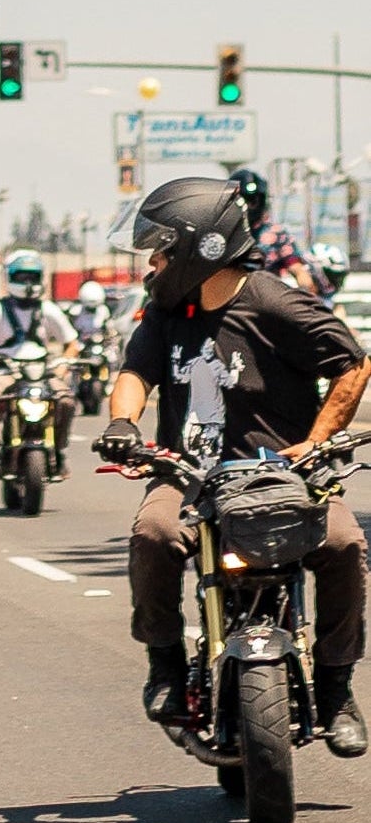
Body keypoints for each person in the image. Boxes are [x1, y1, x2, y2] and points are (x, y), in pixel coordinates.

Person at [96, 175, 371, 754]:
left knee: (345, 543)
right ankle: (165, 666)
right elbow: (136, 373)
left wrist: (317, 441)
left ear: (202, 246)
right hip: (191, 476)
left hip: (285, 477)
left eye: (161, 249)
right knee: (154, 532)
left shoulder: (275, 303)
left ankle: (337, 688)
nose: (152, 263)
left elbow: (353, 364)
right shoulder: (166, 312)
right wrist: (122, 424)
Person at [0, 249, 80, 477]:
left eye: (32, 277)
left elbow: (71, 343)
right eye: (22, 277)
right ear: (10, 278)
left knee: (66, 401)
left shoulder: (47, 308)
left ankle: (59, 451)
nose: (27, 283)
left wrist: (63, 365)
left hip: (41, 372)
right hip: (4, 370)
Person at [227, 167, 317, 294]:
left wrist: (306, 288)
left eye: (252, 201)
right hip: (229, 298)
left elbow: (296, 267)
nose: (247, 207)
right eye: (242, 201)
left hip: (266, 298)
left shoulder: (276, 235)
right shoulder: (223, 234)